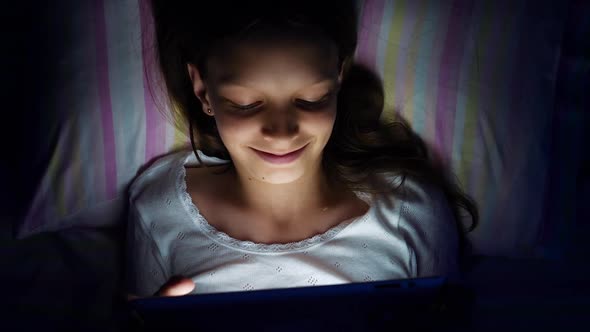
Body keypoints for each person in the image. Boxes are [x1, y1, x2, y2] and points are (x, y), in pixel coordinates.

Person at [125, 0, 478, 299]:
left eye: (311, 99)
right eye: (246, 103)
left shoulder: (409, 209)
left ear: (338, 79)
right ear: (203, 90)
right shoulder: (159, 209)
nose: (282, 133)